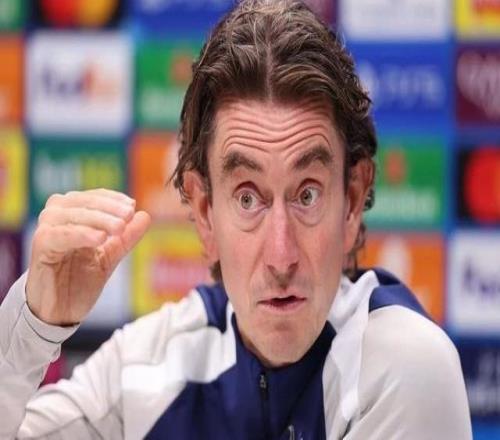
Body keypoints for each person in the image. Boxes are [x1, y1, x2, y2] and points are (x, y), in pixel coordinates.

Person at [0, 1, 472, 439]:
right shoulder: (145, 371)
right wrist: (33, 326)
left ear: (350, 202)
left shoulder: (403, 368)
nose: (281, 256)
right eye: (248, 199)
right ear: (205, 213)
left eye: (307, 195)